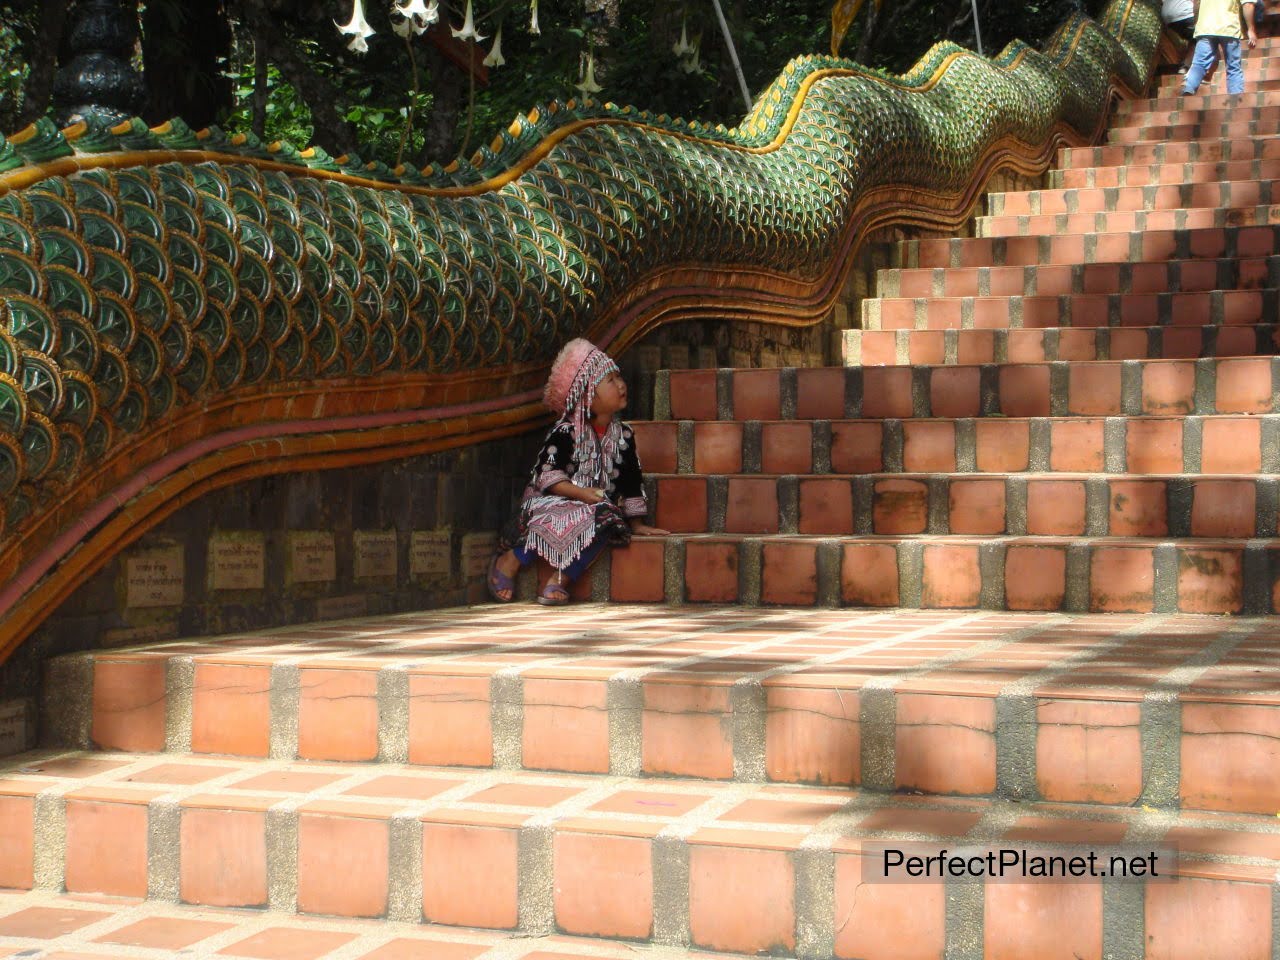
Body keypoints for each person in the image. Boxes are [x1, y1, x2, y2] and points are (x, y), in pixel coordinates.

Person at [488, 338, 668, 605]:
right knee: (544, 518)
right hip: (554, 501)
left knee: (608, 520)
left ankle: (561, 578)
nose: (621, 385)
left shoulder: (624, 436)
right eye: (611, 381)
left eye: (620, 377)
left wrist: (637, 523)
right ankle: (510, 560)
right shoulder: (565, 432)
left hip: (594, 508)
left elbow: (632, 479)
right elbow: (546, 476)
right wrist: (580, 493)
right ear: (586, 397)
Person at [1183, 0, 1257, 95]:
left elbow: (1196, 3)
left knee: (1199, 64)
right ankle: (1236, 99)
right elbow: (1248, 4)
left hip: (1205, 28)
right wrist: (1251, 29)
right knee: (1233, 67)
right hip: (1229, 28)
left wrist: (1197, 22)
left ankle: (1187, 92)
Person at [1163, 0, 1198, 72]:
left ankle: (1185, 66)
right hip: (1184, 14)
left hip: (1168, 19)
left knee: (1194, 37)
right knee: (1204, 34)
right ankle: (1191, 67)